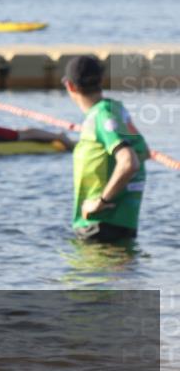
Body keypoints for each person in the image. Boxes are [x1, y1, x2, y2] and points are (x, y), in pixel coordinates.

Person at [62, 56, 148, 243]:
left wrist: (101, 201)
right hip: (122, 224)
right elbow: (144, 151)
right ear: (101, 80)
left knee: (82, 272)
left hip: (100, 226)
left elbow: (129, 162)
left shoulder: (101, 116)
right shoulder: (116, 110)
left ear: (70, 86)